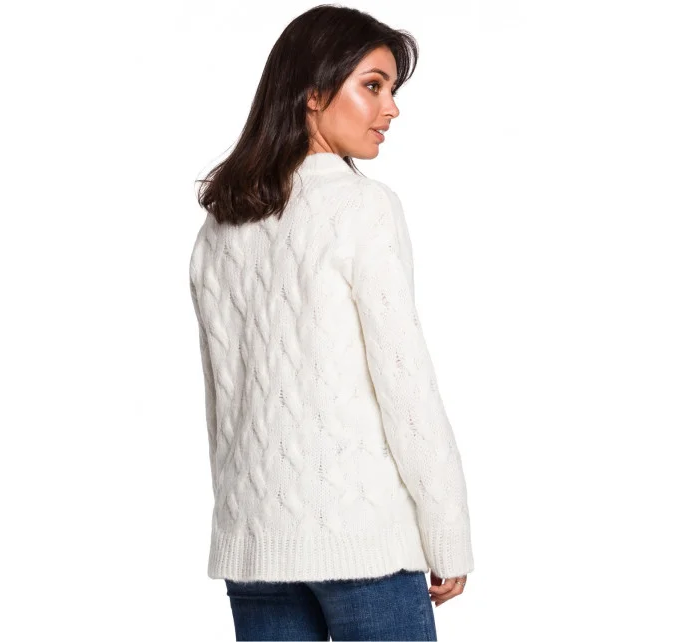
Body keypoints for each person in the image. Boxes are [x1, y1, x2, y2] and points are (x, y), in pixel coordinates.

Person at [189, 5, 474, 640]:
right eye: (373, 85)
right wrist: (447, 531)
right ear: (313, 94)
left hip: (254, 544)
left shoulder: (221, 224)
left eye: (392, 90)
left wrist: (242, 518)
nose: (391, 108)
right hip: (362, 543)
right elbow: (405, 384)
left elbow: (223, 404)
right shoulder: (361, 207)